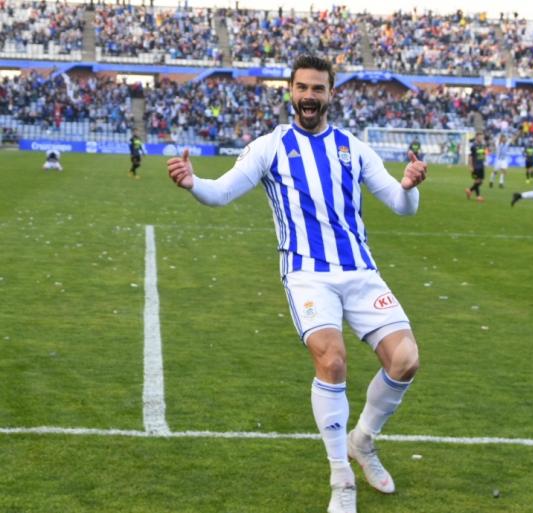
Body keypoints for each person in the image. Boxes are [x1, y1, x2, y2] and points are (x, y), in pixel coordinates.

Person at [166, 55, 428, 513]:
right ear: (290, 91)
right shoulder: (270, 147)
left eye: (318, 89)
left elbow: (401, 205)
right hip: (308, 275)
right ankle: (341, 480)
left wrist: (409, 186)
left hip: (361, 272)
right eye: (302, 88)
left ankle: (362, 441)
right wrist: (193, 183)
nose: (309, 96)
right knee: (333, 360)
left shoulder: (353, 147)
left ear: (331, 94)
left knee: (406, 360)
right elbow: (222, 192)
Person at [465, 132, 486, 202]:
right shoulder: (473, 146)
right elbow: (470, 156)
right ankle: (478, 196)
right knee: (477, 181)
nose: (481, 138)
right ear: (476, 137)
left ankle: (469, 190)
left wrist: (484, 160)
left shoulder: (483, 145)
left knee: (480, 182)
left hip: (481, 166)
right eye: (480, 137)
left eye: (482, 137)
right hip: (475, 166)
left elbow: (483, 154)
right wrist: (470, 166)